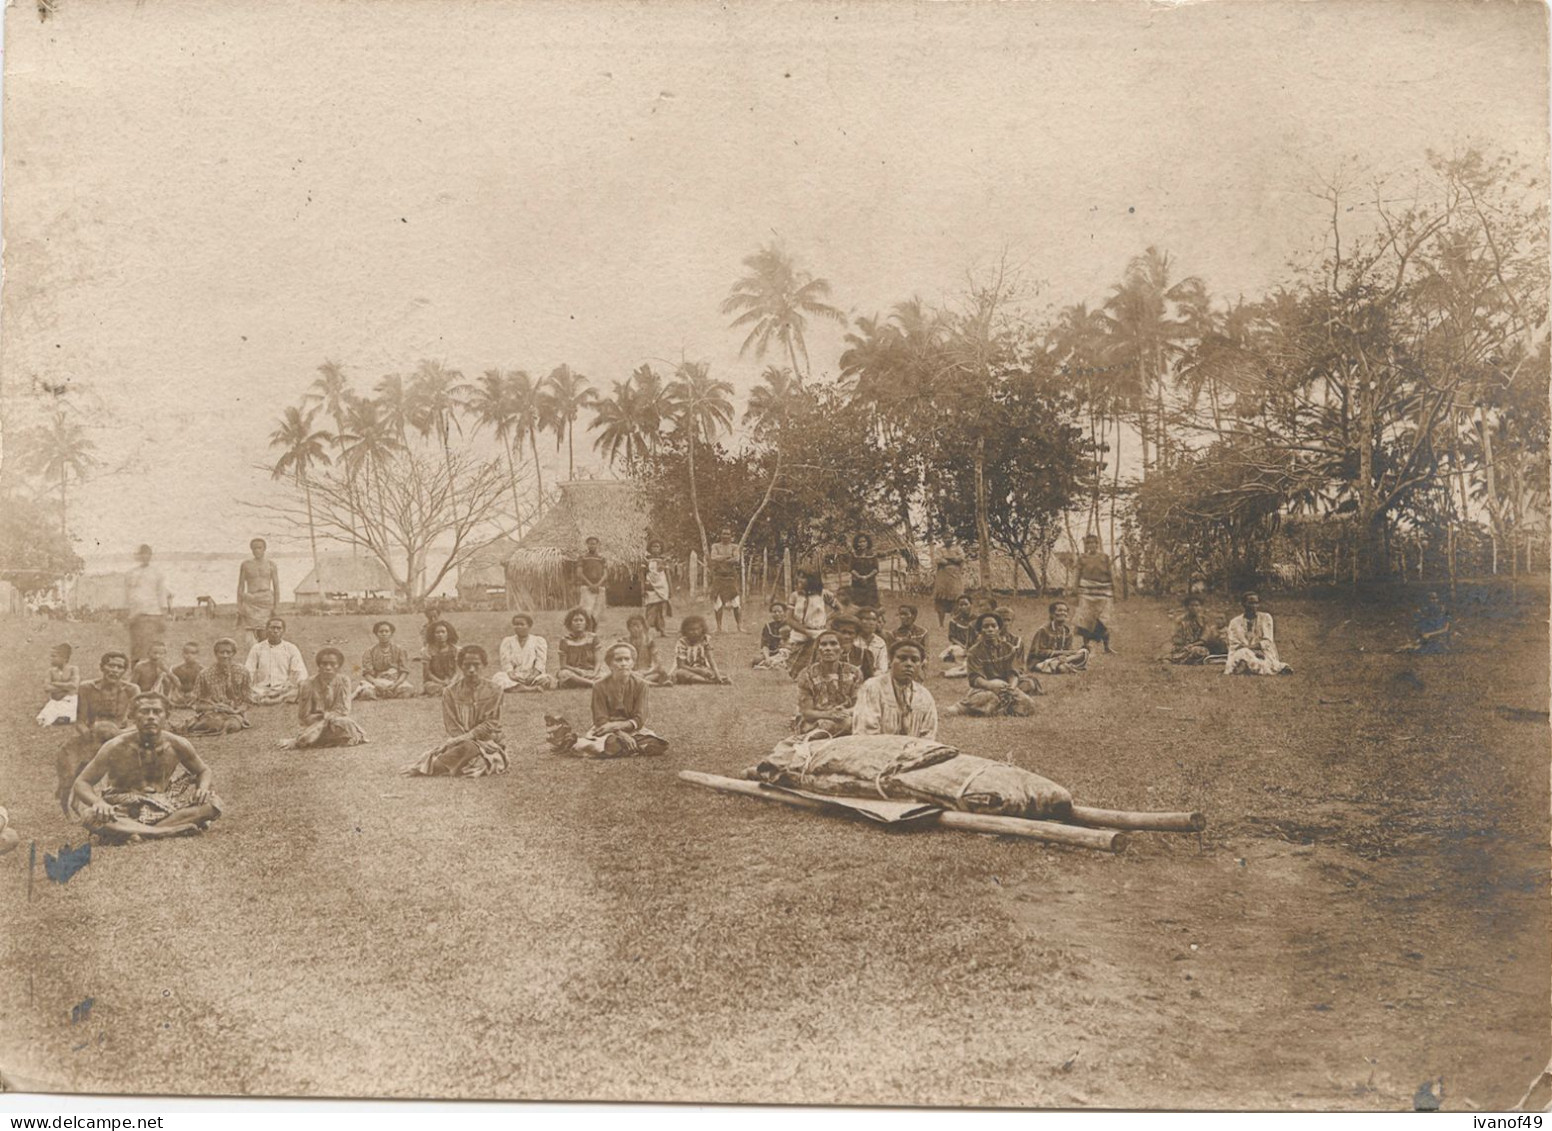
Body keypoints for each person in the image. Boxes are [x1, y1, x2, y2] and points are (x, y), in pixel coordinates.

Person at [71, 692, 222, 843]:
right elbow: (82, 782)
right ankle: (164, 831)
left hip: (165, 805)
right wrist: (98, 802)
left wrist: (202, 788)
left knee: (213, 803)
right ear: (132, 717)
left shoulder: (178, 744)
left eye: (157, 711)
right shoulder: (115, 747)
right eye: (144, 712)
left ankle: (135, 832)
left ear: (166, 716)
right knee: (90, 816)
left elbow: (203, 770)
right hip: (124, 807)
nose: (151, 717)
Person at [402, 645, 508, 777]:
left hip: (489, 743)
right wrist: (462, 739)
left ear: (484, 665)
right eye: (467, 665)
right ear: (460, 666)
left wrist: (468, 738)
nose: (471, 670)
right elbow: (452, 725)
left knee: (471, 750)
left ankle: (430, 768)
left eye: (476, 665)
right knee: (466, 749)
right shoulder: (450, 692)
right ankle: (446, 764)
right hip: (460, 742)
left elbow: (491, 723)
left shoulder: (495, 690)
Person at [52, 651, 138, 813]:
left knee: (124, 772)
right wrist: (89, 740)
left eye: (119, 667)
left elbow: (139, 722)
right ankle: (69, 805)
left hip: (119, 738)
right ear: (102, 667)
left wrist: (121, 734)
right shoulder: (86, 687)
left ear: (124, 671)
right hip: (90, 739)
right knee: (72, 777)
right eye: (111, 665)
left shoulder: (132, 690)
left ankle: (120, 807)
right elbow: (80, 721)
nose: (114, 670)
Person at [566, 642, 669, 757]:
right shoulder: (599, 686)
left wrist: (618, 726)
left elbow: (640, 718)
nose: (623, 664)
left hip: (632, 730)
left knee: (657, 744)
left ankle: (624, 748)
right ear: (610, 664)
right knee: (611, 743)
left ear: (633, 663)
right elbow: (600, 719)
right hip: (606, 730)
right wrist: (619, 733)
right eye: (618, 660)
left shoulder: (641, 685)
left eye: (627, 659)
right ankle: (626, 748)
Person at [951, 611, 1041, 717]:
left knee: (1029, 705)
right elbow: (975, 679)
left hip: (1005, 687)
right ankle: (964, 707)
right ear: (980, 630)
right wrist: (991, 685)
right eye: (986, 627)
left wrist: (1011, 687)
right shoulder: (974, 652)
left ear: (999, 629)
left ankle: (996, 708)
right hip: (984, 688)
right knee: (990, 698)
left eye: (994, 626)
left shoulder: (1009, 648)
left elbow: (1013, 672)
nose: (990, 629)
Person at [284, 647, 368, 749]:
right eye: (324, 664)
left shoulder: (344, 681)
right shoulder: (307, 684)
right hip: (314, 725)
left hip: (336, 723)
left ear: (339, 666)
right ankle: (318, 739)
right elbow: (304, 717)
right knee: (315, 732)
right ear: (319, 666)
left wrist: (327, 719)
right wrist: (323, 720)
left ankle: (316, 740)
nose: (328, 668)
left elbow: (344, 710)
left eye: (333, 664)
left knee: (345, 723)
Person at [852, 639, 938, 739]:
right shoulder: (872, 687)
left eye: (914, 660)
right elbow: (866, 732)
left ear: (920, 665)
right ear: (890, 662)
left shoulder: (924, 696)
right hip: (877, 750)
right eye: (902, 658)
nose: (909, 664)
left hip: (914, 751)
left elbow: (928, 735)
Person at [793, 629, 865, 739]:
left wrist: (845, 712)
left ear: (841, 649)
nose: (828, 648)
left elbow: (859, 706)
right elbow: (806, 712)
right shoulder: (806, 674)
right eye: (823, 644)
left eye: (833, 644)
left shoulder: (854, 672)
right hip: (815, 721)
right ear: (818, 650)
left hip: (846, 716)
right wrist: (829, 715)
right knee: (842, 725)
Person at [179, 637, 252, 736]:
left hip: (234, 714)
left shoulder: (242, 672)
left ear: (233, 653)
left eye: (228, 652)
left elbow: (248, 700)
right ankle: (189, 726)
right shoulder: (205, 674)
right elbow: (195, 703)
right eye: (221, 652)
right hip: (212, 714)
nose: (225, 656)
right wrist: (213, 707)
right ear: (216, 654)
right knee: (214, 724)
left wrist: (235, 710)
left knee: (232, 726)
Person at [1224, 591, 1292, 676]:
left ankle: (1246, 667)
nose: (1254, 606)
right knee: (1243, 653)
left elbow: (1267, 642)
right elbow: (1234, 645)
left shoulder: (1266, 618)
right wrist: (1251, 650)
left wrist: (1254, 649)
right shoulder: (1234, 622)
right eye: (1251, 603)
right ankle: (1274, 668)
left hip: (1262, 652)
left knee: (1263, 660)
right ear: (1243, 604)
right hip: (1241, 653)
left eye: (1256, 603)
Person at [245, 617, 308, 705]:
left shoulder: (291, 648)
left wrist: (302, 685)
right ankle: (274, 699)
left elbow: (299, 671)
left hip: (283, 688)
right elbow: (249, 670)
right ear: (266, 630)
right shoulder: (257, 648)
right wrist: (246, 686)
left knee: (296, 692)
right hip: (261, 688)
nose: (275, 631)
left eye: (279, 628)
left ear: (283, 631)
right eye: (272, 628)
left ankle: (269, 700)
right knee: (250, 693)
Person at [784, 570, 834, 678]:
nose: (799, 580)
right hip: (799, 634)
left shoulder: (823, 594)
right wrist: (806, 631)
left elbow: (839, 609)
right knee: (794, 668)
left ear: (812, 580)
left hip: (819, 632)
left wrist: (827, 620)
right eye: (798, 577)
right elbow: (789, 618)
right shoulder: (795, 596)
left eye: (803, 577)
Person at [124, 544, 169, 664]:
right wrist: (128, 615)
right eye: (142, 554)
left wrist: (163, 616)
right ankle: (136, 676)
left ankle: (152, 675)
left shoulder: (157, 573)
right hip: (135, 616)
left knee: (152, 648)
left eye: (147, 554)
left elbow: (161, 595)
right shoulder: (131, 573)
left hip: (152, 615)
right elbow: (128, 595)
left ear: (150, 556)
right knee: (136, 648)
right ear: (138, 556)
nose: (145, 557)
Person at [1073, 534, 1116, 654]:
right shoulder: (1082, 558)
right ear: (1086, 545)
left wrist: (1114, 589)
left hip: (1103, 591)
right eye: (1088, 543)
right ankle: (1085, 645)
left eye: (1094, 543)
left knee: (1104, 619)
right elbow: (1077, 575)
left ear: (1097, 544)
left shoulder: (1105, 557)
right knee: (1086, 619)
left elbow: (1110, 574)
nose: (1091, 545)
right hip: (1086, 591)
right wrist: (1075, 589)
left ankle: (1106, 646)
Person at [490, 613, 554, 692]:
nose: (518, 627)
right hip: (514, 676)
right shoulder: (507, 641)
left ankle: (519, 687)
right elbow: (506, 662)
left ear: (529, 626)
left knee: (546, 679)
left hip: (532, 676)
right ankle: (526, 688)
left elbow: (540, 661)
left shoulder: (538, 641)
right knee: (497, 677)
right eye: (516, 624)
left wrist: (533, 676)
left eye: (522, 624)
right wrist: (512, 675)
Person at [355, 621, 416, 700]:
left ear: (391, 634)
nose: (384, 634)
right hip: (378, 681)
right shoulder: (370, 651)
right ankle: (380, 693)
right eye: (381, 632)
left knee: (408, 690)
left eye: (387, 631)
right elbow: (367, 673)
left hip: (395, 681)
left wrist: (396, 684)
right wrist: (376, 683)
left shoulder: (400, 650)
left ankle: (386, 694)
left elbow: (404, 671)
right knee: (367, 692)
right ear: (376, 634)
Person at [236, 537, 281, 641]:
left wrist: (276, 606)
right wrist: (239, 606)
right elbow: (241, 586)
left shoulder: (271, 564)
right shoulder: (246, 565)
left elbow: (276, 586)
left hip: (266, 600)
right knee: (250, 633)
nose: (257, 550)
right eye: (254, 548)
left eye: (260, 548)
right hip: (250, 600)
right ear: (251, 549)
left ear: (264, 548)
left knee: (265, 632)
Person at [1027, 601, 1090, 674]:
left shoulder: (1067, 632)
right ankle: (1065, 666)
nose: (1063, 613)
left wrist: (1064, 657)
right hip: (1042, 661)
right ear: (1052, 614)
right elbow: (1038, 652)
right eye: (1059, 610)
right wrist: (1060, 653)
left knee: (1084, 652)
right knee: (1061, 668)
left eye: (1065, 611)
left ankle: (1063, 664)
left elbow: (1068, 650)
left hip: (1062, 659)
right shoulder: (1043, 630)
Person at [1164, 595, 1225, 665]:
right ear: (1187, 607)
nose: (1194, 608)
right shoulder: (1180, 620)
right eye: (1192, 605)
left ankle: (1190, 660)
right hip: (1183, 647)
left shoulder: (1204, 620)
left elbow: (1204, 638)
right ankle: (1187, 660)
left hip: (1198, 646)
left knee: (1201, 651)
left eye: (1197, 605)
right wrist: (1185, 645)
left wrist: (1192, 645)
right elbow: (1176, 637)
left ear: (1200, 607)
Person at [672, 615, 730, 684]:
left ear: (702, 629)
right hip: (688, 669)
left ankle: (714, 679)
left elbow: (711, 660)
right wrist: (699, 671)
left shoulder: (705, 640)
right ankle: (708, 682)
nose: (695, 632)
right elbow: (681, 665)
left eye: (697, 629)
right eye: (691, 630)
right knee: (680, 673)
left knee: (723, 673)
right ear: (685, 631)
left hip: (704, 669)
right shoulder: (682, 642)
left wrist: (717, 675)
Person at [554, 608, 603, 688]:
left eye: (581, 620)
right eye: (575, 620)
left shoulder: (593, 638)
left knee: (606, 674)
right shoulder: (565, 640)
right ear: (570, 623)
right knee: (563, 674)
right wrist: (578, 671)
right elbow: (563, 665)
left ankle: (583, 682)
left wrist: (594, 673)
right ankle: (592, 684)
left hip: (590, 671)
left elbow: (598, 662)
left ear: (586, 623)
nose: (578, 623)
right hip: (574, 672)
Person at [708, 527, 743, 633]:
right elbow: (713, 557)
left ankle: (739, 627)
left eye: (728, 534)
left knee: (736, 603)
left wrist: (722, 559)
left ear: (731, 536)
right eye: (724, 534)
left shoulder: (734, 546)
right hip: (718, 577)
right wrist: (728, 557)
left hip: (731, 577)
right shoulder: (715, 546)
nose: (726, 536)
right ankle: (719, 627)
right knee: (718, 603)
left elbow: (736, 559)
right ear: (721, 535)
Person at [36, 642, 79, 727]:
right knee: (42, 719)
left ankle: (65, 718)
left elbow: (74, 685)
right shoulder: (51, 671)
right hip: (55, 701)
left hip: (69, 700)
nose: (51, 659)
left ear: (64, 658)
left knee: (67, 716)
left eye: (54, 656)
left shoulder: (73, 669)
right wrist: (66, 687)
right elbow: (47, 688)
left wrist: (56, 683)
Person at [625, 614, 673, 686]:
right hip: (631, 672)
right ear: (628, 628)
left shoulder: (649, 641)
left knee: (662, 672)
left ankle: (643, 682)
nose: (635, 629)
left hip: (647, 672)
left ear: (643, 627)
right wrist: (633, 672)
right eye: (632, 626)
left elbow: (657, 662)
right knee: (626, 675)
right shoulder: (624, 642)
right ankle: (655, 685)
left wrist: (646, 672)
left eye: (638, 626)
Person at [420, 620, 461, 696]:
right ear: (433, 634)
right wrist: (441, 682)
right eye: (437, 632)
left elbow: (457, 671)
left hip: (453, 680)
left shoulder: (456, 650)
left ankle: (447, 691)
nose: (440, 635)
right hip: (435, 681)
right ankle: (448, 691)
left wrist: (452, 681)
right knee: (430, 686)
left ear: (448, 633)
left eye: (443, 632)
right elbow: (428, 673)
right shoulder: (427, 651)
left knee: (461, 684)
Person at [642, 539, 673, 637]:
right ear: (650, 548)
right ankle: (645, 630)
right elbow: (642, 575)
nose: (655, 549)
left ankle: (662, 630)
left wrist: (670, 588)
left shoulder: (664, 560)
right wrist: (643, 587)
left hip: (662, 585)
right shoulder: (646, 560)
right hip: (650, 585)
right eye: (653, 546)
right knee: (651, 608)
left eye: (658, 547)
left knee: (661, 609)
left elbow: (667, 574)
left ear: (661, 549)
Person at [832, 614, 878, 680]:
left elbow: (869, 681)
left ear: (856, 635)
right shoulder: (826, 652)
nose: (846, 636)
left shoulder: (864, 655)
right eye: (843, 632)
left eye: (851, 633)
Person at [932, 543, 966, 628]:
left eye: (949, 537)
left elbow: (961, 557)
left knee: (956, 600)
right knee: (941, 600)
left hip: (955, 578)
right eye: (945, 537)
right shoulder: (939, 549)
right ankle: (941, 624)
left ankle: (955, 623)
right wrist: (949, 560)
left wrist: (950, 559)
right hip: (943, 578)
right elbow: (938, 559)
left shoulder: (958, 548)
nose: (947, 539)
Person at [576, 536, 608, 625]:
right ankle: (585, 630)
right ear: (587, 545)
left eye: (594, 544)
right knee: (586, 610)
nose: (592, 546)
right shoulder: (582, 557)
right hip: (586, 587)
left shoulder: (602, 558)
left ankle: (594, 632)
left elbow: (605, 574)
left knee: (597, 612)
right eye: (590, 544)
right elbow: (579, 573)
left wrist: (598, 584)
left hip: (599, 587)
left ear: (597, 545)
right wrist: (590, 584)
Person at [941, 594, 976, 675]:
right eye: (961, 605)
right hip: (960, 646)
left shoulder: (977, 620)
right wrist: (963, 646)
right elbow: (952, 638)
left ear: (971, 605)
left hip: (973, 646)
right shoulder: (954, 621)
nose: (963, 607)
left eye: (966, 604)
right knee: (955, 649)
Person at [753, 600, 792, 669]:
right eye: (774, 612)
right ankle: (772, 662)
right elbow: (765, 645)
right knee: (756, 659)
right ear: (771, 613)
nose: (777, 614)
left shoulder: (790, 625)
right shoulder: (768, 626)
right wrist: (767, 658)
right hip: (772, 652)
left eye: (780, 612)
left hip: (786, 652)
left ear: (784, 613)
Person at [846, 533, 880, 610]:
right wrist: (859, 577)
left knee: (872, 604)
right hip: (857, 584)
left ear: (867, 542)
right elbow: (851, 569)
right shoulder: (854, 554)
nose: (862, 544)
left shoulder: (872, 554)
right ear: (856, 543)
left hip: (870, 583)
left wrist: (867, 577)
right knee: (858, 605)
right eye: (860, 542)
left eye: (864, 541)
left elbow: (876, 569)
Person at [854, 607, 890, 677]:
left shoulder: (880, 643)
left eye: (874, 620)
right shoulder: (854, 640)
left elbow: (882, 668)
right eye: (867, 619)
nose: (871, 623)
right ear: (859, 621)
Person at [169, 642, 204, 707]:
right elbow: (173, 687)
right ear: (182, 654)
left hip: (194, 695)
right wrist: (178, 695)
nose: (189, 655)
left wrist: (193, 694)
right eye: (186, 653)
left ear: (197, 655)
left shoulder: (201, 670)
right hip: (180, 696)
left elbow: (202, 687)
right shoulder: (176, 669)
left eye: (193, 653)